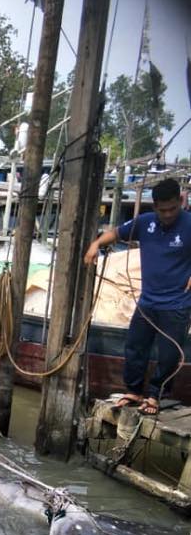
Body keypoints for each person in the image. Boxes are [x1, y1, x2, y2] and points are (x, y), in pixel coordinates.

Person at [84, 177, 191, 416]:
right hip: (148, 301)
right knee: (135, 346)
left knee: (169, 354)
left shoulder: (189, 224)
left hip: (177, 303)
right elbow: (117, 233)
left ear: (181, 202)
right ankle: (133, 390)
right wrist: (96, 244)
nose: (168, 214)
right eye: (162, 210)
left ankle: (155, 395)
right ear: (155, 207)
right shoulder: (145, 223)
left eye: (172, 208)